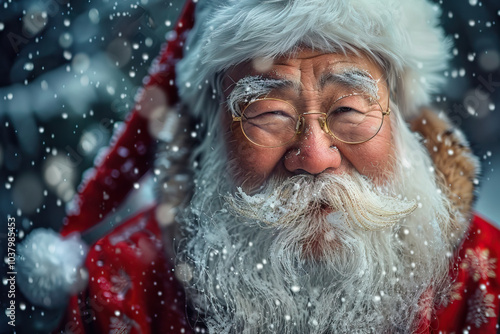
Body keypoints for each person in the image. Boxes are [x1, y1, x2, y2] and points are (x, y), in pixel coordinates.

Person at [16, 0, 500, 333]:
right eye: (269, 114)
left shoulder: (489, 276)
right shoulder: (117, 287)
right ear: (212, 136)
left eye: (349, 110)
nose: (313, 156)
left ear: (398, 119)